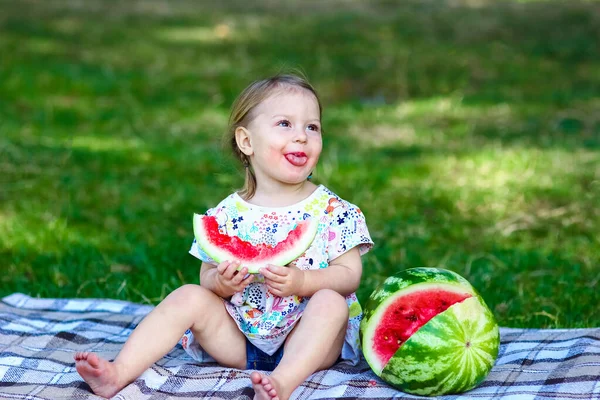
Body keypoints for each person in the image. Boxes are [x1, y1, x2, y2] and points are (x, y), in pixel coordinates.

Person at [74, 73, 374, 400]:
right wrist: (221, 283)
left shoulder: (333, 209)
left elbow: (349, 275)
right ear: (246, 141)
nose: (301, 136)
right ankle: (118, 372)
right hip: (237, 338)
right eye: (285, 124)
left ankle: (282, 384)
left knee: (331, 302)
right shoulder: (225, 214)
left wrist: (302, 282)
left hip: (308, 342)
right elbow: (206, 278)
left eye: (312, 127)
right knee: (188, 295)